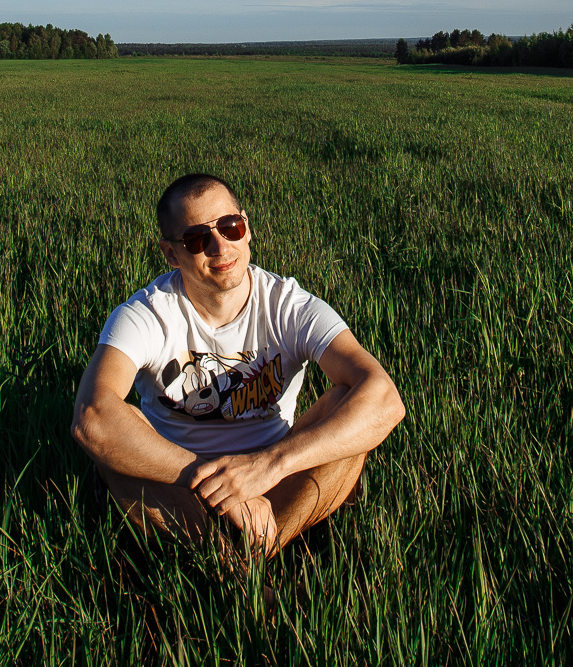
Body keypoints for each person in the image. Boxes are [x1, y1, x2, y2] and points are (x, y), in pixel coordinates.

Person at [71, 173, 406, 556]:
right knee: (115, 448)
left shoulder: (289, 306)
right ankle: (235, 573)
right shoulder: (147, 313)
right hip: (174, 485)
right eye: (197, 238)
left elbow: (385, 399)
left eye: (230, 227)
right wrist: (219, 484)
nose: (220, 246)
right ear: (170, 253)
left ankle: (253, 554)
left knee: (349, 415)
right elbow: (92, 416)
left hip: (273, 483)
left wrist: (271, 465)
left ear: (247, 229)